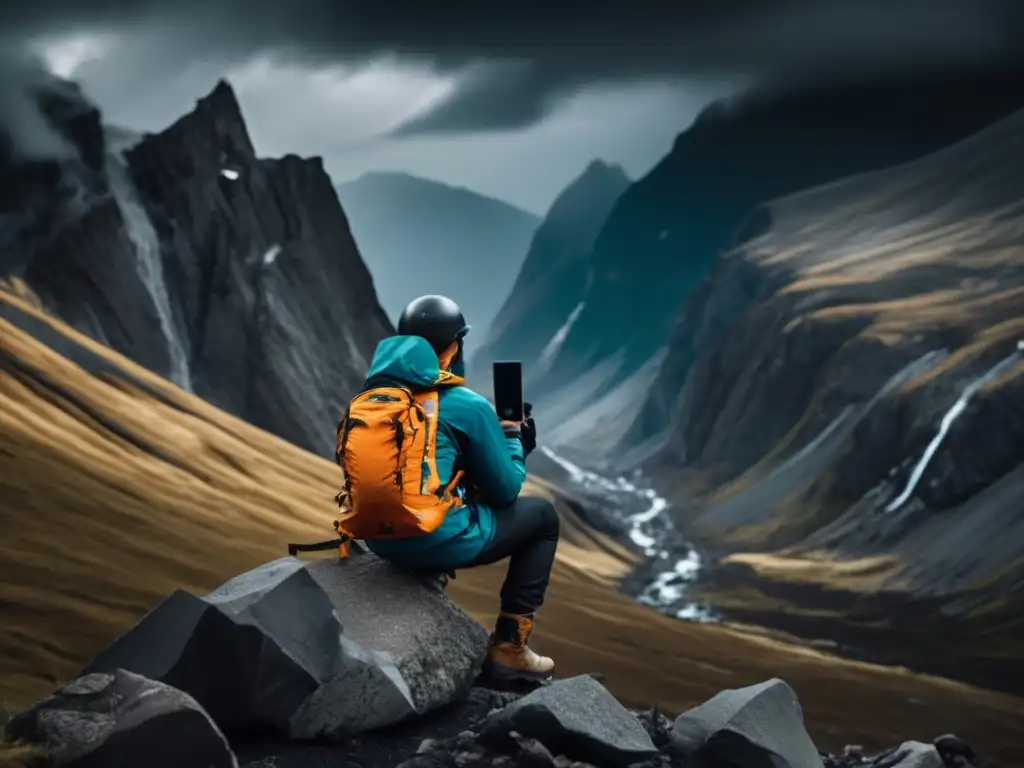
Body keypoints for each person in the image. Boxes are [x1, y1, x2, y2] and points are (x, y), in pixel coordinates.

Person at [336, 294, 559, 683]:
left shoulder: (370, 401)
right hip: (431, 539)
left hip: (379, 539)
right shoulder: (466, 405)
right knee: (543, 518)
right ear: (453, 346)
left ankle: (423, 573)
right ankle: (510, 648)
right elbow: (506, 492)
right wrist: (514, 443)